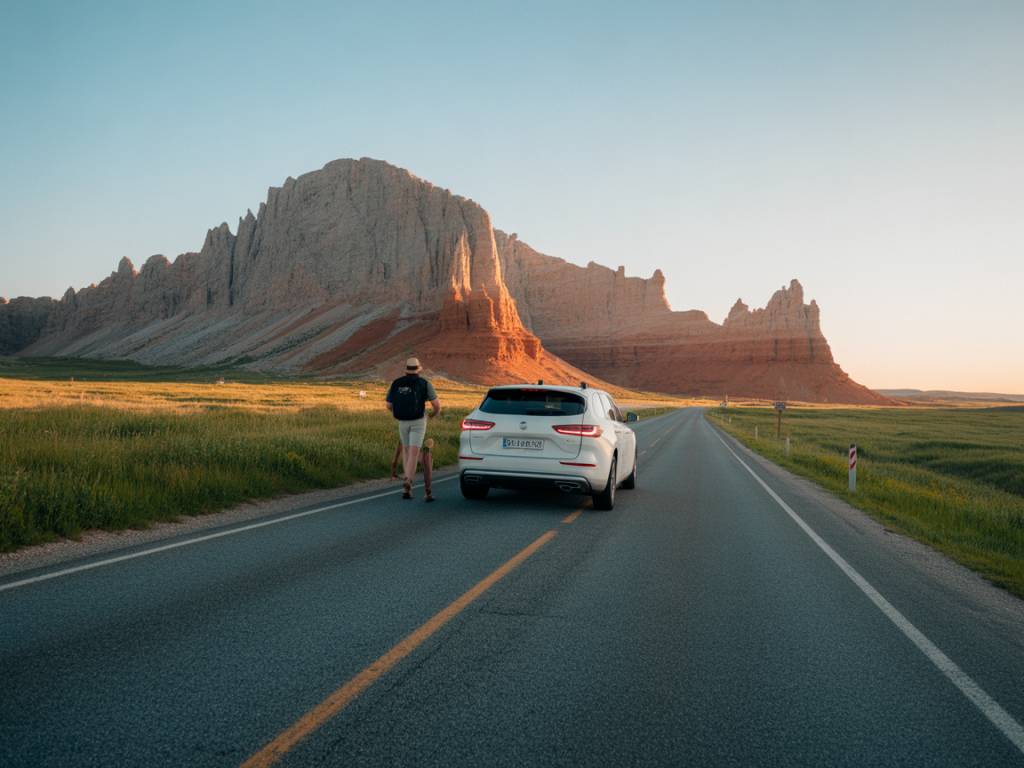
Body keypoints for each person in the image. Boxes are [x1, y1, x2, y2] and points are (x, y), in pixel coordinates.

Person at [385, 357, 441, 500]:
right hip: (418, 421)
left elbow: (389, 405)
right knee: (414, 453)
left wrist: (398, 414)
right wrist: (432, 415)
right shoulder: (424, 383)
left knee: (406, 450)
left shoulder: (396, 383)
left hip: (402, 421)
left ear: (406, 370)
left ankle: (407, 489)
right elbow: (436, 405)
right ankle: (408, 481)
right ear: (418, 369)